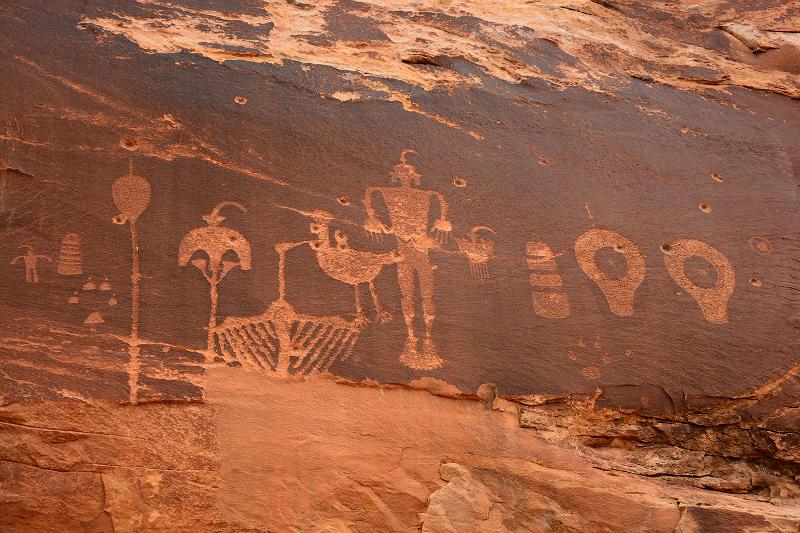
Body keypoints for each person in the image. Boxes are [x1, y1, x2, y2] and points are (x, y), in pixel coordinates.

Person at [363, 149, 451, 370]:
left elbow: (440, 199)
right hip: (406, 252)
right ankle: (411, 337)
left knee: (426, 295)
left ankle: (428, 338)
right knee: (408, 295)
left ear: (413, 176)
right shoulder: (391, 193)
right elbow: (370, 192)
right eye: (402, 173)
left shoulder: (425, 196)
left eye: (407, 174)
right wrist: (372, 217)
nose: (405, 177)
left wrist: (442, 220)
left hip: (419, 251)